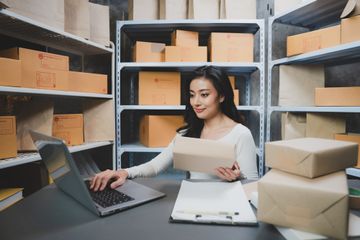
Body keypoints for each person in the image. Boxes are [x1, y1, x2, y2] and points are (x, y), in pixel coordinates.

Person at [91, 65, 258, 191]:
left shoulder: (241, 134)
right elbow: (155, 166)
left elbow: (252, 185)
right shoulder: (187, 133)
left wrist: (237, 179)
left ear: (222, 96)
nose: (196, 102)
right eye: (192, 95)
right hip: (191, 204)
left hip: (227, 207)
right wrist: (124, 172)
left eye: (204, 94)